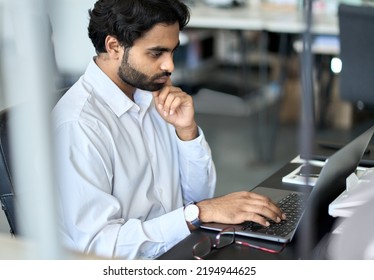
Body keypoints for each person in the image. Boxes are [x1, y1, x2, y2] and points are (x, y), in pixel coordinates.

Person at [52, 0, 285, 260]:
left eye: (173, 52)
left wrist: (187, 131)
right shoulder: (79, 125)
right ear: (114, 46)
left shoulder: (154, 96)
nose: (170, 66)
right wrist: (198, 214)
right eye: (156, 53)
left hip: (179, 247)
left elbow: (198, 197)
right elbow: (98, 247)